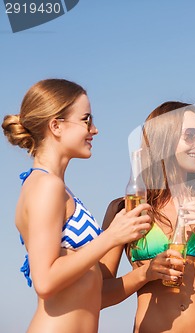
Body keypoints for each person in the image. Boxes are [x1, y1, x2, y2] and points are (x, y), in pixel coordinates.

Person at [2, 79, 151, 333]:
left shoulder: (59, 188)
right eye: (86, 120)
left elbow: (93, 295)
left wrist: (146, 275)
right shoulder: (46, 186)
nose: (95, 130)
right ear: (56, 126)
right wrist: (112, 237)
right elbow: (45, 281)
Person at [99, 101, 195, 333]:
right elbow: (99, 296)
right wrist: (145, 274)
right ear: (163, 140)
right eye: (190, 135)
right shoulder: (125, 209)